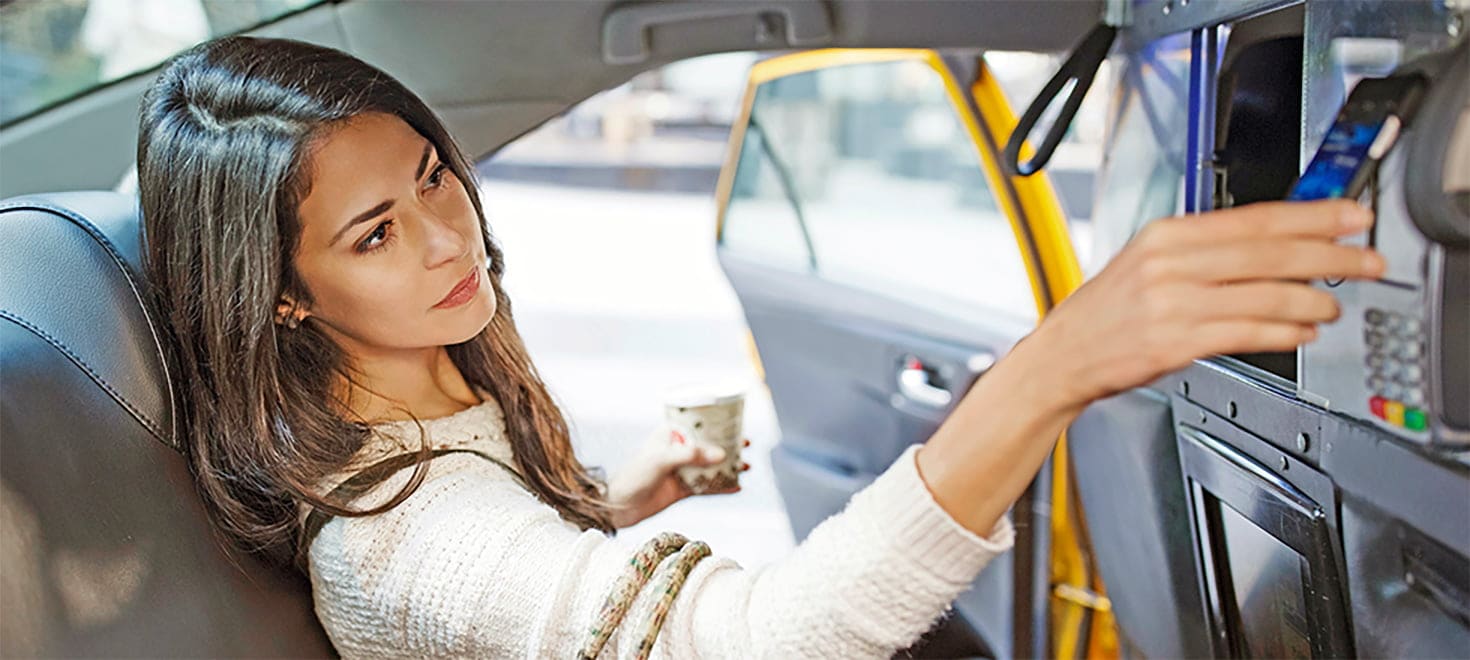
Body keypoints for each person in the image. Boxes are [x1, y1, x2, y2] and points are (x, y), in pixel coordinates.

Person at [136, 36, 1384, 658]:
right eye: (373, 234)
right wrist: (1053, 368)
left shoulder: (429, 392)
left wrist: (626, 495)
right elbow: (757, 644)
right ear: (279, 294)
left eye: (430, 177)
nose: (445, 235)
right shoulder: (399, 537)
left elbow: (522, 571)